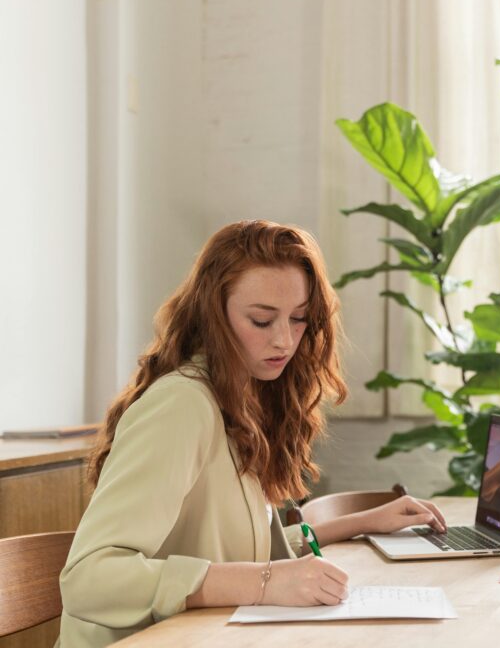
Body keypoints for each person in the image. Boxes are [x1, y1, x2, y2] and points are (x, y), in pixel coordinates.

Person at [56, 220, 446, 647]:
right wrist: (264, 582)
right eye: (262, 321)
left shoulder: (245, 399)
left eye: (299, 319)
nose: (284, 340)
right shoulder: (182, 405)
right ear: (213, 315)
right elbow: (89, 580)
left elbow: (242, 556)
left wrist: (361, 523)